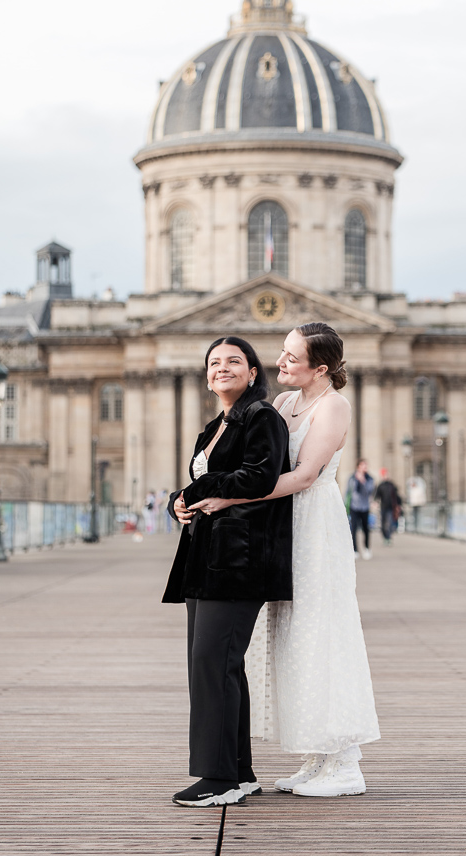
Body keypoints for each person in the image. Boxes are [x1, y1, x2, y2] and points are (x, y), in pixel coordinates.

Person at [190, 323, 380, 798]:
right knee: (292, 637)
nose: (281, 363)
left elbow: (302, 476)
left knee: (323, 632)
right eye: (281, 353)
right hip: (280, 528)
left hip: (314, 527)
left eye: (292, 357)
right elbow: (260, 465)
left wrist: (225, 499)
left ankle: (344, 761)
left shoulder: (334, 405)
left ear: (321, 367)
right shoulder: (282, 404)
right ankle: (317, 757)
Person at [163, 337, 292, 808]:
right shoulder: (215, 426)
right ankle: (239, 771)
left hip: (240, 558)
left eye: (234, 361)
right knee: (220, 666)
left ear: (254, 372)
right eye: (215, 362)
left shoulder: (262, 417)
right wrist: (181, 500)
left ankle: (216, 779)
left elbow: (261, 476)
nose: (223, 368)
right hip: (207, 556)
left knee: (211, 664)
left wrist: (203, 487)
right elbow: (209, 482)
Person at [345, 459, 375, 560]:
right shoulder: (352, 478)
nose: (365, 468)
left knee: (366, 529)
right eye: (363, 466)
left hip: (365, 507)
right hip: (354, 506)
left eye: (366, 466)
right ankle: (355, 550)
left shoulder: (369, 479)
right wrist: (345, 505)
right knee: (353, 529)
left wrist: (363, 481)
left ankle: (366, 548)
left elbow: (369, 492)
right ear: (358, 467)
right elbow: (348, 492)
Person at [375, 468, 402, 545]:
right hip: (383, 507)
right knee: (383, 524)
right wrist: (375, 503)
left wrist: (399, 505)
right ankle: (385, 537)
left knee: (389, 522)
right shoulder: (380, 485)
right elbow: (377, 496)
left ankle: (389, 537)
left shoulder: (392, 485)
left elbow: (397, 496)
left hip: (391, 507)